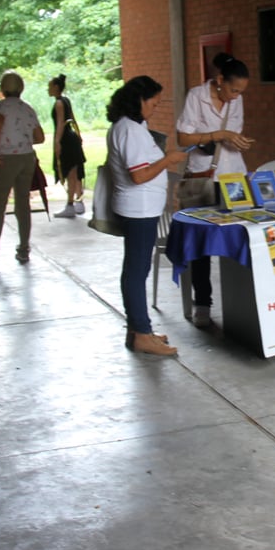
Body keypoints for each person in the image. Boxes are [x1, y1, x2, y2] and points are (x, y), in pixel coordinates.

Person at [107, 76, 191, 356]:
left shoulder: (131, 127)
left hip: (141, 208)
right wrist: (169, 160)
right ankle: (141, 333)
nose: (155, 108)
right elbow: (139, 174)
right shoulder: (129, 130)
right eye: (153, 103)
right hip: (138, 209)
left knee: (137, 269)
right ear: (139, 101)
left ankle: (139, 328)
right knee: (136, 270)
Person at [175, 53, 255, 327]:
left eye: (241, 92)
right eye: (233, 90)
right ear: (220, 80)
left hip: (234, 176)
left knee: (242, 234)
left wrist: (238, 141)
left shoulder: (237, 100)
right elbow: (183, 138)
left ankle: (244, 302)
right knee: (202, 243)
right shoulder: (196, 96)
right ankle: (203, 304)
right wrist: (218, 135)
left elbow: (232, 134)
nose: (236, 96)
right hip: (203, 174)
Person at [0, 70, 44, 265]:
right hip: (27, 158)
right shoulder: (28, 109)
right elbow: (40, 137)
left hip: (8, 159)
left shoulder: (1, 107)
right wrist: (24, 140)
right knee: (22, 203)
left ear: (2, 89)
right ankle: (24, 249)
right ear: (21, 88)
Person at [49, 74, 87, 217]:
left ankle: (70, 204)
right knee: (76, 172)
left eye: (50, 86)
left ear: (56, 87)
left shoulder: (59, 103)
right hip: (72, 138)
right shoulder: (66, 100)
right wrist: (78, 134)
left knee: (71, 172)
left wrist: (57, 142)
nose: (49, 89)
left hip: (66, 139)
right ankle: (79, 202)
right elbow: (73, 119)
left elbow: (61, 124)